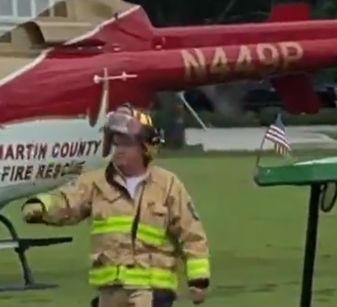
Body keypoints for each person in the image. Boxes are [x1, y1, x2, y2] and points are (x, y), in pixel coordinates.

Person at [21, 104, 210, 307]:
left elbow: (191, 234)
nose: (118, 150)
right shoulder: (95, 182)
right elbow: (69, 200)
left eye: (125, 144)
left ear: (144, 147)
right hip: (110, 291)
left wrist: (198, 280)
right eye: (115, 143)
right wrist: (41, 206)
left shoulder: (168, 185)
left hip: (151, 292)